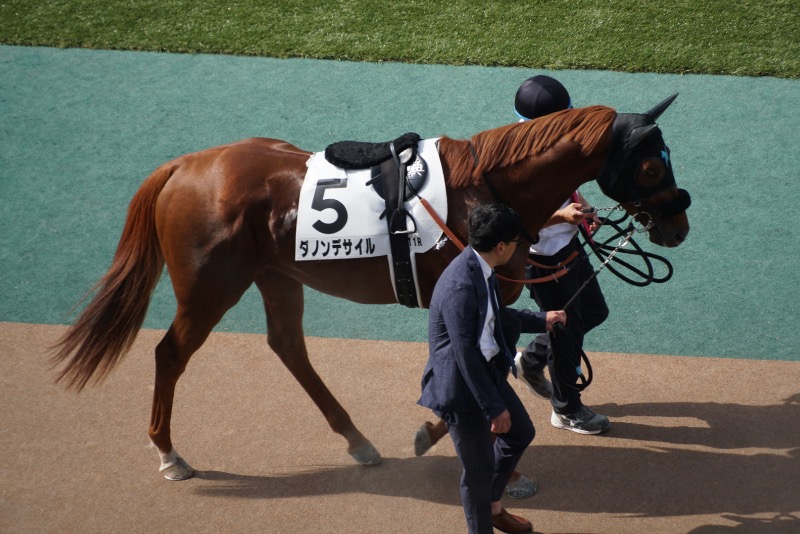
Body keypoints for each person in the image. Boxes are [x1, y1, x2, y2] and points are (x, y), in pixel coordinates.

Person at [418, 203, 567, 534]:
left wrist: (543, 319)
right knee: (477, 473)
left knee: (520, 433)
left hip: (483, 374)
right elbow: (464, 353)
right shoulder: (460, 286)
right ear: (502, 247)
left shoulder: (479, 267)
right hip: (461, 389)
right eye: (515, 241)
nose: (517, 247)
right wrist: (493, 407)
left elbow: (497, 317)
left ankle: (492, 505)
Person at [513, 74, 611, 434]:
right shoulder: (519, 162)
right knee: (567, 331)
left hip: (568, 250)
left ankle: (531, 360)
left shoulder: (554, 146)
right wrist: (560, 216)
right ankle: (566, 409)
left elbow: (569, 189)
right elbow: (514, 219)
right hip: (544, 263)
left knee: (594, 313)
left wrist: (583, 209)